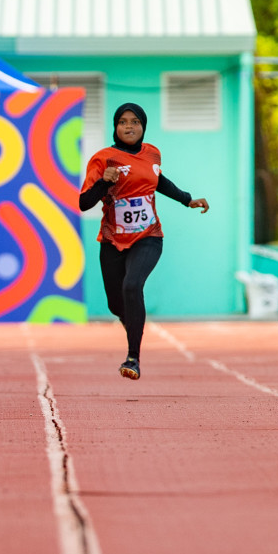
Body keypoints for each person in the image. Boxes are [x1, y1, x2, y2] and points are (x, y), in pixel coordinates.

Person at [80, 102, 209, 381]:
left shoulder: (152, 153)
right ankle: (132, 322)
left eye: (135, 121)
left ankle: (133, 358)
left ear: (143, 126)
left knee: (133, 284)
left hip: (148, 236)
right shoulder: (104, 158)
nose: (129, 126)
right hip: (112, 241)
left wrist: (187, 199)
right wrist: (104, 182)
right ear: (115, 127)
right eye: (123, 122)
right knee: (117, 305)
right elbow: (83, 202)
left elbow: (158, 180)